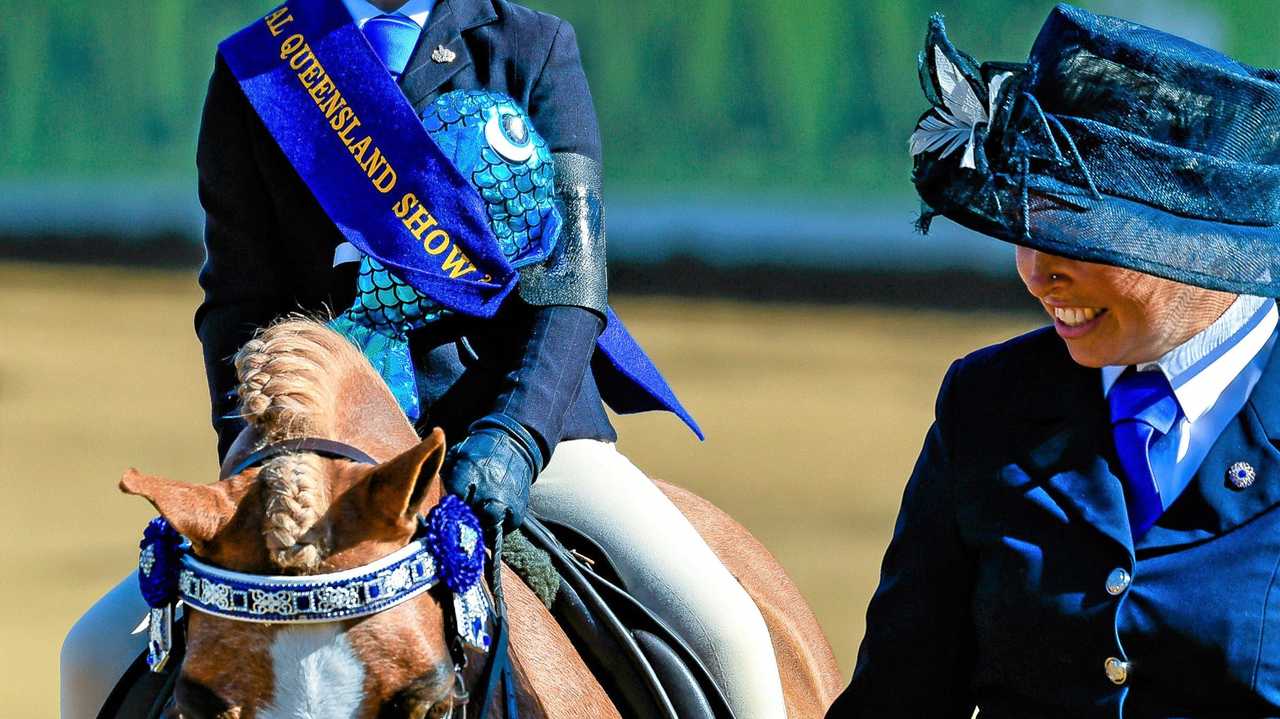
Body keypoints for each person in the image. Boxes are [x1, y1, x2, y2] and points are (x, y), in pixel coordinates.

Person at [59, 1, 786, 717]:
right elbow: (238, 305)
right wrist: (269, 462)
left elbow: (570, 287)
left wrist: (515, 437)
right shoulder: (261, 64)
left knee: (732, 634)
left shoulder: (530, 47)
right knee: (87, 656)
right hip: (327, 461)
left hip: (524, 436)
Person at [830, 4, 1280, 716]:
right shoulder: (984, 403)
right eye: (1024, 223)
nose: (1036, 271)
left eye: (1079, 231)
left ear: (1191, 236)